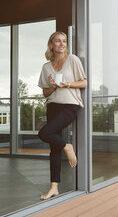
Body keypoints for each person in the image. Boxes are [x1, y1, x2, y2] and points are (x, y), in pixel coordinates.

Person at [37, 31, 87, 200]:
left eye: (64, 41)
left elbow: (84, 81)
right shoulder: (46, 67)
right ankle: (54, 187)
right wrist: (52, 86)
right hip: (52, 106)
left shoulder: (72, 59)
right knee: (54, 148)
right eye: (57, 41)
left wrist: (68, 84)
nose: (61, 44)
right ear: (51, 44)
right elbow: (45, 93)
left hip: (69, 105)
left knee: (44, 133)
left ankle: (67, 146)